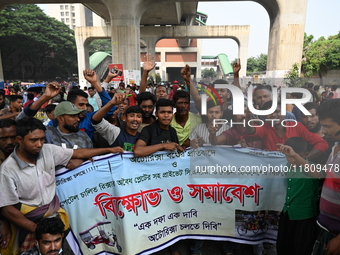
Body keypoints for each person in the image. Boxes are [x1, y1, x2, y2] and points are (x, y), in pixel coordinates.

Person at [0, 117, 124, 254]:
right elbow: (7, 209)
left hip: (54, 218)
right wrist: (38, 229)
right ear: (19, 139)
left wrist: (109, 150)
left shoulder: (48, 151)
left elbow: (77, 153)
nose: (39, 144)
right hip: (28, 224)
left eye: (42, 139)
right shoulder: (7, 169)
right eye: (33, 140)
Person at [278, 99, 340, 255]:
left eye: (328, 126)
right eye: (323, 126)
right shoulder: (334, 148)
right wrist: (296, 157)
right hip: (325, 226)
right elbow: (320, 175)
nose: (324, 131)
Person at [276, 137, 319, 255]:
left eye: (296, 156)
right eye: (289, 156)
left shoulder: (312, 167)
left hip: (304, 217)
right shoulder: (288, 166)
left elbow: (317, 175)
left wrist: (295, 155)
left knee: (301, 249)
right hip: (288, 214)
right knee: (283, 247)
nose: (293, 160)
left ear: (306, 154)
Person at [245, 100, 328, 161]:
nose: (273, 115)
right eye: (268, 113)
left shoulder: (297, 126)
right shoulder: (265, 128)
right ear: (264, 117)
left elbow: (322, 143)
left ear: (283, 114)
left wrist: (303, 160)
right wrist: (248, 116)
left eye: (277, 111)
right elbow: (250, 130)